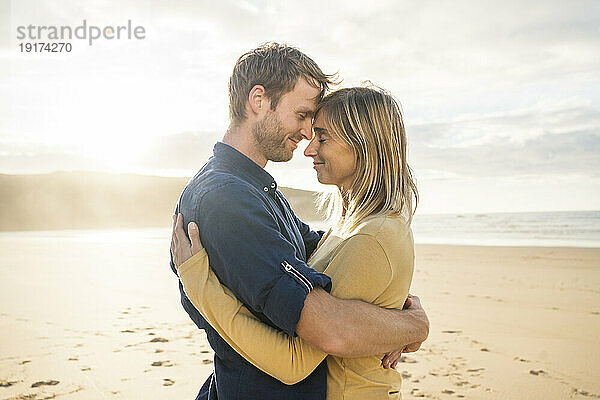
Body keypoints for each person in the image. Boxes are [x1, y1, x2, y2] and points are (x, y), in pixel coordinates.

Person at [170, 42, 429, 400]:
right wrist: (409, 325)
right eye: (303, 114)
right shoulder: (228, 199)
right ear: (258, 100)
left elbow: (321, 251)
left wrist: (388, 308)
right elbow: (326, 329)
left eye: (319, 129)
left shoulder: (256, 189)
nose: (307, 135)